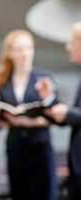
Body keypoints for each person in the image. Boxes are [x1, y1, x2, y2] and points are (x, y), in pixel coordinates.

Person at [0, 30, 57, 200]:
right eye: (20, 49)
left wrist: (28, 122)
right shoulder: (3, 82)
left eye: (28, 48)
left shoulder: (44, 78)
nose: (25, 53)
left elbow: (56, 114)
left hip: (40, 150)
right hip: (16, 150)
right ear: (9, 53)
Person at [37, 22, 81, 200]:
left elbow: (73, 114)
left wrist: (68, 113)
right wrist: (49, 99)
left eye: (72, 42)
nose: (67, 46)